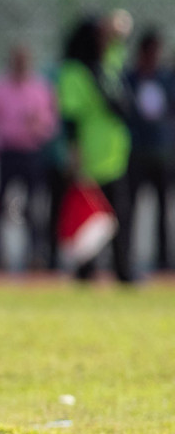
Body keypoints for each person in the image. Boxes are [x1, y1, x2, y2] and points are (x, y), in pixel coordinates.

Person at [58, 16, 135, 282]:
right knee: (89, 217)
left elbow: (120, 43)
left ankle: (122, 269)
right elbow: (71, 118)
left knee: (120, 216)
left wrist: (115, 27)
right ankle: (85, 270)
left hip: (116, 153)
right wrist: (74, 153)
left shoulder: (106, 67)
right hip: (90, 154)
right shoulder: (74, 72)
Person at [0, 44, 57, 269]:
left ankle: (36, 254)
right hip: (7, 152)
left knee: (34, 208)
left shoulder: (39, 89)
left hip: (31, 152)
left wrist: (36, 126)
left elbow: (50, 122)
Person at [124, 30, 173, 271]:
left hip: (161, 152)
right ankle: (126, 255)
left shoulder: (166, 78)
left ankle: (164, 258)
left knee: (163, 209)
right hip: (136, 151)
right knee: (129, 207)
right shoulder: (129, 78)